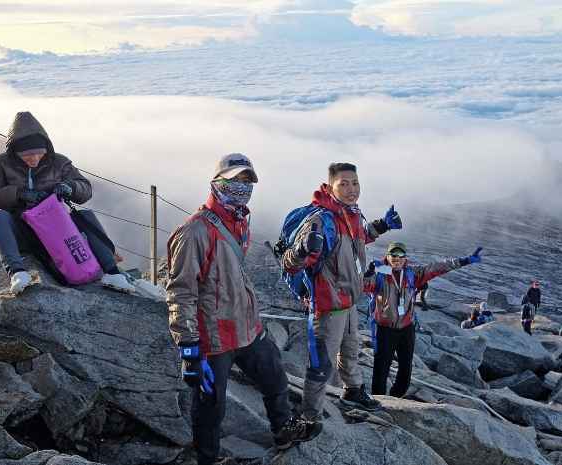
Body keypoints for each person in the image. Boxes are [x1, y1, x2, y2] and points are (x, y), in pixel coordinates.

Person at [166, 153, 320, 465]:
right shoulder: (195, 231)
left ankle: (283, 430)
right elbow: (180, 291)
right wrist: (188, 346)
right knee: (210, 403)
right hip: (214, 336)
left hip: (247, 327)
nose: (242, 187)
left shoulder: (238, 221)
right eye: (235, 180)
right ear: (216, 181)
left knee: (275, 378)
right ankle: (206, 459)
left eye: (248, 181)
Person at [281, 162, 402, 422]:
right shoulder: (322, 219)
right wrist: (302, 250)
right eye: (344, 184)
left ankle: (353, 390)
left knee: (350, 349)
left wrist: (381, 225)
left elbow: (357, 238)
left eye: (355, 183)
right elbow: (290, 263)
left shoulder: (350, 213)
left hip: (347, 300)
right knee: (321, 363)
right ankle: (311, 414)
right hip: (327, 305)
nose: (352, 189)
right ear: (330, 186)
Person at [0, 111, 134, 294]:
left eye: (39, 154)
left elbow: (85, 188)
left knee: (85, 215)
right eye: (27, 156)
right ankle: (18, 273)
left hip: (57, 231)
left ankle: (113, 273)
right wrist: (18, 194)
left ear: (46, 148)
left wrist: (70, 188)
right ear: (15, 152)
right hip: (22, 231)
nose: (34, 159)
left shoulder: (59, 162)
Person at [365, 241, 482, 397]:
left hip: (407, 329)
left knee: (406, 371)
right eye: (393, 255)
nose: (397, 258)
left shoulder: (412, 273)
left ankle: (396, 399)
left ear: (405, 258)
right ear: (387, 256)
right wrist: (368, 274)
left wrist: (464, 261)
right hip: (385, 330)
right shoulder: (380, 274)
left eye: (401, 255)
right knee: (381, 369)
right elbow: (362, 285)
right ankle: (377, 400)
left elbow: (437, 268)